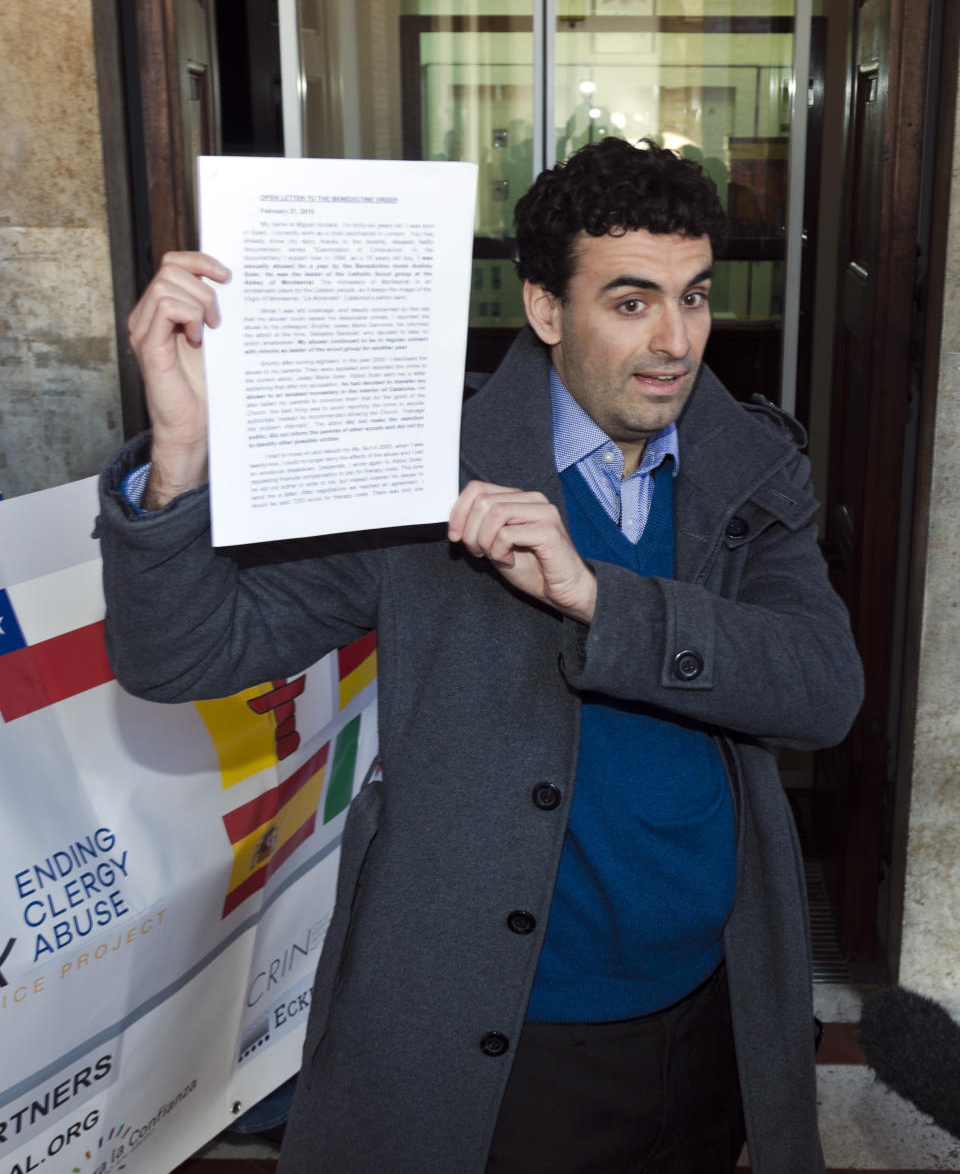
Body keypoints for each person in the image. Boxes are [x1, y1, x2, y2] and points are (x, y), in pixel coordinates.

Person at [96, 137, 863, 1173]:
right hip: (505, 1034)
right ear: (546, 309)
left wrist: (598, 596)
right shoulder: (424, 469)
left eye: (694, 296)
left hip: (715, 1006)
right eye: (631, 302)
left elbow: (822, 691)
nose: (676, 338)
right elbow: (181, 652)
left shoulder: (752, 465)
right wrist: (178, 464)